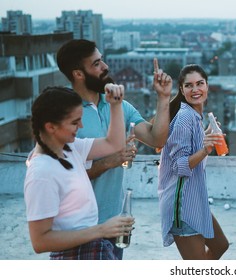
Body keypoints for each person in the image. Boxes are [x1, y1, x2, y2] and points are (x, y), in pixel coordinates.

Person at [56, 39, 172, 259]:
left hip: (114, 222)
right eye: (97, 63)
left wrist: (163, 97)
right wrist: (112, 160)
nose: (105, 67)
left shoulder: (118, 105)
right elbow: (63, 178)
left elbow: (157, 138)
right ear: (78, 74)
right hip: (79, 226)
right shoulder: (63, 112)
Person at [24, 85, 135, 260]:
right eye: (75, 122)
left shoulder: (69, 148)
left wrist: (115, 105)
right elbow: (40, 242)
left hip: (92, 250)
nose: (81, 126)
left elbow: (114, 144)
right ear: (51, 127)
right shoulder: (41, 172)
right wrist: (101, 229)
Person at [158, 64, 229, 260]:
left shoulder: (195, 116)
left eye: (200, 83)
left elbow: (189, 146)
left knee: (220, 245)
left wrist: (206, 135)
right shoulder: (184, 118)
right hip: (181, 205)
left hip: (195, 200)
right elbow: (178, 166)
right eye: (189, 86)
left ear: (207, 85)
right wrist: (206, 149)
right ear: (181, 90)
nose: (195, 89)